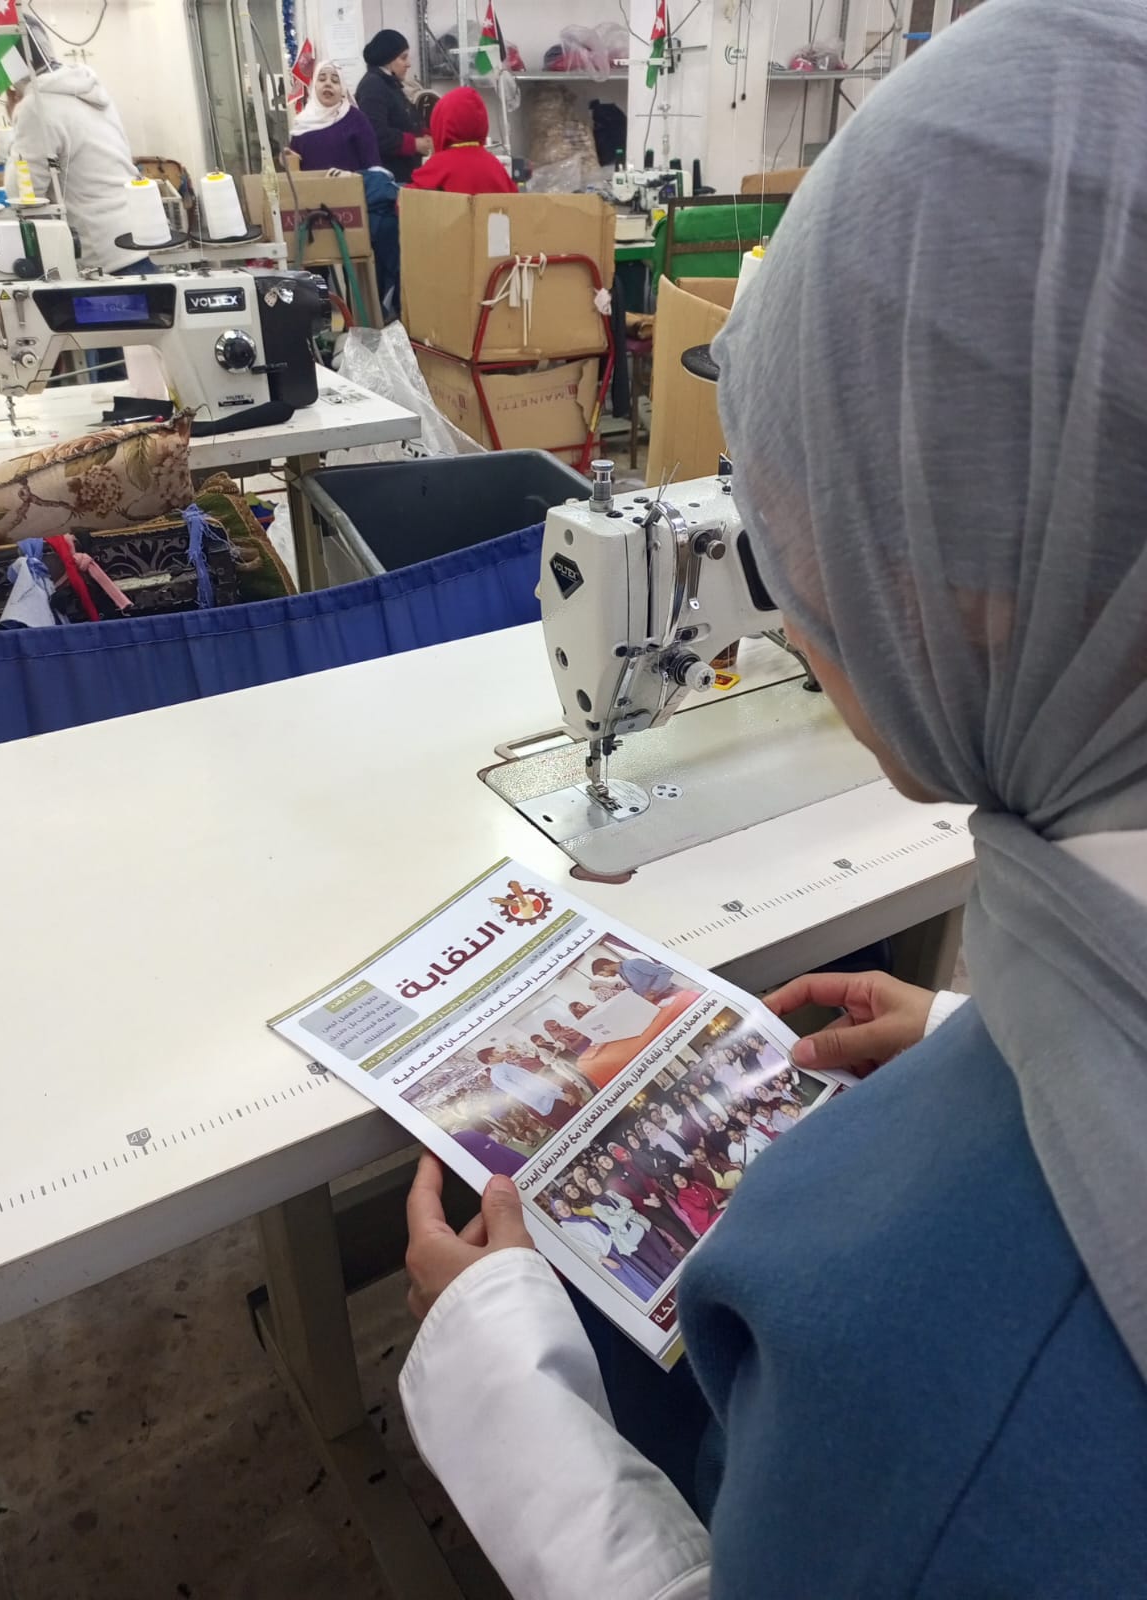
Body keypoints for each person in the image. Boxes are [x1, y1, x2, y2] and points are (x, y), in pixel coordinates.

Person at [399, 7, 1147, 1596]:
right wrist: (983, 1038)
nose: (799, 609)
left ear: (973, 573)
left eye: (822, 523)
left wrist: (500, 1374)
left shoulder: (949, 1389)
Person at [3, 27, 142, 275]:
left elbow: (23, 194)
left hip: (98, 255)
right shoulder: (88, 87)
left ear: (9, 62)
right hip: (134, 237)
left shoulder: (36, 106)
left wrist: (15, 119)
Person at [544, 1195, 656, 1302]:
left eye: (564, 1205)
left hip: (615, 1246)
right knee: (633, 1280)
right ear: (557, 1213)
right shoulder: (567, 1229)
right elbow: (583, 1248)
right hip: (607, 1255)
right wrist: (603, 1259)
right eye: (559, 1209)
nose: (564, 1209)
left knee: (640, 1269)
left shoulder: (581, 1218)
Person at [408, 86, 516, 196]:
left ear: (441, 123)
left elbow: (407, 199)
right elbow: (515, 200)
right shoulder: (496, 167)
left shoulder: (438, 166)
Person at [356, 31, 430, 185]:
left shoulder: (390, 83)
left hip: (403, 176)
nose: (408, 64)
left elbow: (404, 118)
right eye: (403, 58)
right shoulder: (373, 86)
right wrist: (415, 144)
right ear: (388, 59)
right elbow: (376, 133)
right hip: (391, 180)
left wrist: (424, 134)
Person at [287, 61, 380, 172]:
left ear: (342, 89)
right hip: (311, 184)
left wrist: (351, 176)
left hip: (349, 183)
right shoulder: (302, 123)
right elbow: (294, 170)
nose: (328, 84)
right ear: (314, 86)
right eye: (322, 79)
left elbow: (373, 168)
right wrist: (287, 159)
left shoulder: (356, 119)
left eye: (335, 81)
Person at [585, 1178, 677, 1288]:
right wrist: (626, 1213)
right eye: (591, 1186)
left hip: (643, 1225)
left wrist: (619, 1213)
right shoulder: (596, 1207)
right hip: (629, 1235)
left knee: (665, 1253)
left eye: (595, 1183)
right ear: (589, 1190)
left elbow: (628, 1203)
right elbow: (614, 1222)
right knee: (655, 1261)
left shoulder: (610, 1193)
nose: (595, 1186)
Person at [590, 954, 681, 1004]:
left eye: (602, 974)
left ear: (606, 967)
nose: (605, 977)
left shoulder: (633, 964)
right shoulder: (622, 974)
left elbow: (665, 972)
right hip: (660, 1000)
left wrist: (652, 991)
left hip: (670, 993)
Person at [666, 1172, 721, 1238]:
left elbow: (713, 1192)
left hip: (717, 1212)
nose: (680, 1182)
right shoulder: (681, 1198)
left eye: (681, 1178)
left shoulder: (697, 1183)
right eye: (676, 1181)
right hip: (705, 1224)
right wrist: (718, 1207)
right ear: (674, 1184)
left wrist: (722, 1201)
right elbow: (697, 1213)